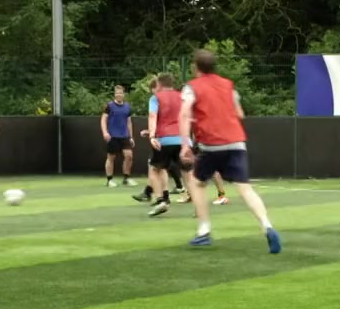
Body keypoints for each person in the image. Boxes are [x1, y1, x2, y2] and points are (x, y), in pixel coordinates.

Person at [179, 48, 281, 253]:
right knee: (245, 188)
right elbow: (240, 114)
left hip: (210, 145)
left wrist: (185, 145)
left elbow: (183, 114)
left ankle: (204, 231)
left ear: (195, 67)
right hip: (236, 142)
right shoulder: (228, 85)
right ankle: (267, 226)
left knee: (197, 183)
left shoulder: (192, 87)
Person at [133, 73, 192, 216]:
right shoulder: (182, 97)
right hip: (183, 139)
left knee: (154, 168)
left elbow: (153, 116)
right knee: (188, 172)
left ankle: (161, 200)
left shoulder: (156, 98)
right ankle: (198, 204)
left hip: (165, 139)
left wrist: (152, 135)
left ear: (159, 84)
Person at [101, 85, 136, 187]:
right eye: (117, 93)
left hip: (125, 136)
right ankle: (109, 180)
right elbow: (103, 120)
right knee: (111, 157)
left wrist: (131, 137)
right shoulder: (109, 106)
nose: (118, 95)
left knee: (129, 156)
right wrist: (105, 132)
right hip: (112, 136)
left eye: (120, 93)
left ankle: (126, 178)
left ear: (124, 94)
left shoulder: (127, 107)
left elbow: (129, 122)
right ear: (114, 94)